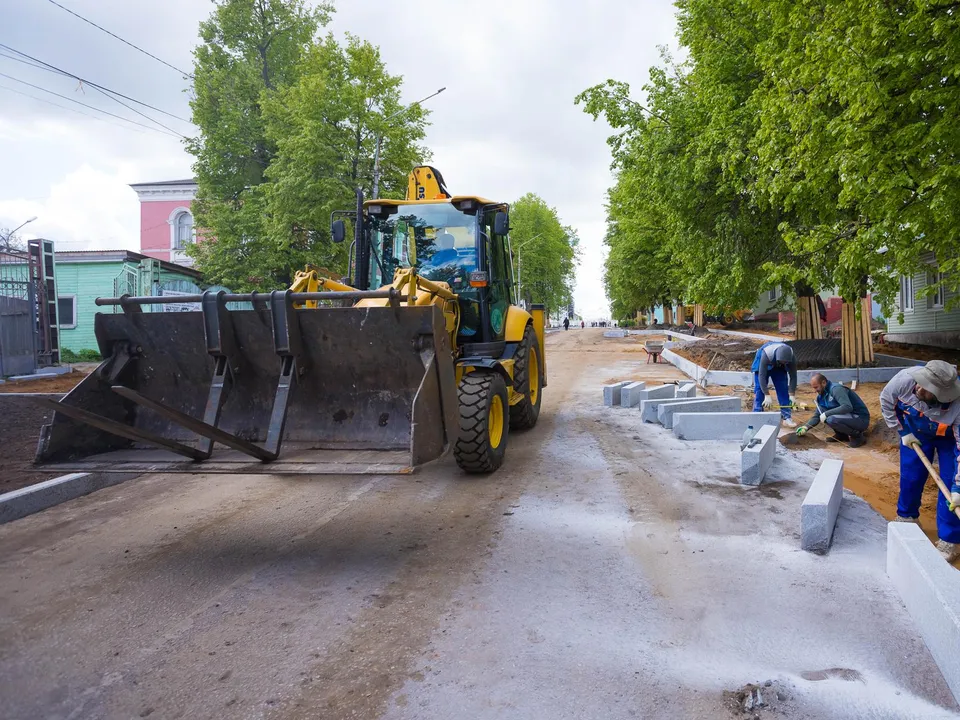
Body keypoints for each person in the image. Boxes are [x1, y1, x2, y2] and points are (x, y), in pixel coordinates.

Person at [880, 359, 960, 562]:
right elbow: (887, 402)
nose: (919, 388)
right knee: (911, 475)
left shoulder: (958, 405)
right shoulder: (903, 381)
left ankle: (950, 539)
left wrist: (958, 487)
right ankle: (907, 517)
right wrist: (903, 431)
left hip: (949, 439)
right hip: (915, 432)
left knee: (950, 485)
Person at [795, 373, 870, 447]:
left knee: (830, 419)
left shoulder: (836, 389)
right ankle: (842, 435)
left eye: (816, 387)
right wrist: (805, 427)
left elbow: (847, 407)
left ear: (823, 383)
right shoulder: (821, 396)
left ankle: (857, 437)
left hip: (860, 419)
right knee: (824, 414)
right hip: (849, 418)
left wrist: (826, 414)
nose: (815, 390)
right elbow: (817, 416)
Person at [751, 341, 798, 427]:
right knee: (759, 391)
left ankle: (786, 417)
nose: (784, 363)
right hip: (764, 363)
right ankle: (757, 415)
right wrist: (767, 394)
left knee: (783, 389)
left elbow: (793, 376)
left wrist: (792, 394)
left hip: (778, 366)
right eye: (782, 362)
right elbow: (762, 376)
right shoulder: (766, 354)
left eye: (785, 362)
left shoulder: (791, 356)